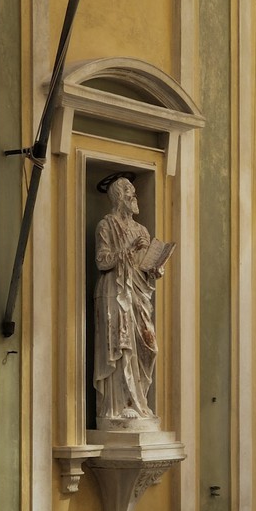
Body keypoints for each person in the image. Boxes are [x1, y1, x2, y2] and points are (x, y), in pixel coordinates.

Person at [92, 176, 164, 426]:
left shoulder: (142, 229)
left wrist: (154, 269)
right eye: (131, 194)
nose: (135, 198)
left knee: (148, 347)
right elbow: (102, 261)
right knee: (121, 345)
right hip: (115, 291)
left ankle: (139, 401)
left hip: (139, 292)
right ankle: (119, 405)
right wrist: (129, 249)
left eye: (135, 193)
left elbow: (144, 265)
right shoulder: (106, 225)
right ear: (119, 197)